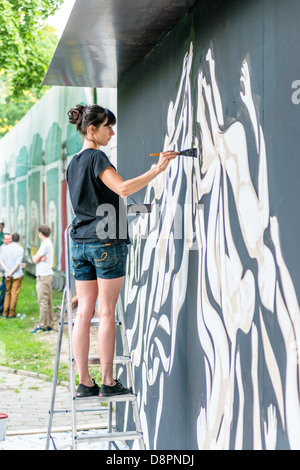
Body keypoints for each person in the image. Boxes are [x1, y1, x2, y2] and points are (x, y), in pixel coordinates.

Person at [66, 103, 178, 398]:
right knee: (106, 313)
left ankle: (84, 382)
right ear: (92, 130)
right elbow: (124, 189)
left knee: (84, 314)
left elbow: (95, 205)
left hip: (80, 242)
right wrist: (158, 169)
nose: (112, 132)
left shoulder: (73, 162)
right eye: (108, 127)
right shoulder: (97, 157)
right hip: (105, 242)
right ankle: (108, 381)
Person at [31, 224, 54, 333]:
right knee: (48, 301)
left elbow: (35, 259)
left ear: (40, 233)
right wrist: (40, 258)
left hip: (43, 275)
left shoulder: (45, 244)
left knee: (43, 301)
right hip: (47, 274)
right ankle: (49, 323)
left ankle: (43, 325)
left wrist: (37, 258)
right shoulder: (49, 243)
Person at [0, 233, 24, 318]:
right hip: (17, 274)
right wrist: (11, 272)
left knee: (7, 293)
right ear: (19, 239)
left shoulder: (4, 249)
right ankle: (11, 313)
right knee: (14, 294)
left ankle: (4, 313)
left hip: (7, 274)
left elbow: (1, 261)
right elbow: (17, 264)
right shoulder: (20, 249)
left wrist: (8, 272)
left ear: (11, 239)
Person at [0, 233, 12, 316]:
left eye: (10, 238)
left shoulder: (13, 247)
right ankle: (1, 309)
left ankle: (7, 309)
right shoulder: (2, 248)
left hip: (12, 273)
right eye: (7, 239)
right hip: (5, 273)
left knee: (9, 292)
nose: (9, 240)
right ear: (3, 240)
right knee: (4, 291)